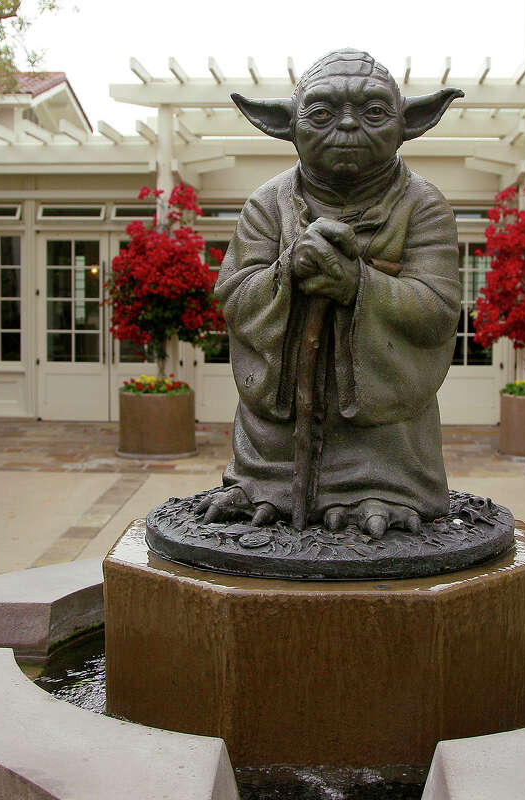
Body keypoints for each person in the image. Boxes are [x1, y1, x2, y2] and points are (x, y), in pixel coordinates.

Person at [199, 49, 464, 535]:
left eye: (374, 112)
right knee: (265, 480)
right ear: (285, 125)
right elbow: (235, 296)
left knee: (384, 482)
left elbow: (439, 308)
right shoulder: (269, 202)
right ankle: (265, 486)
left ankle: (381, 489)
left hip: (387, 446)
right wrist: (288, 273)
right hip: (276, 442)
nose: (347, 126)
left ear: (410, 123)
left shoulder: (423, 205)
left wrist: (359, 286)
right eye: (321, 113)